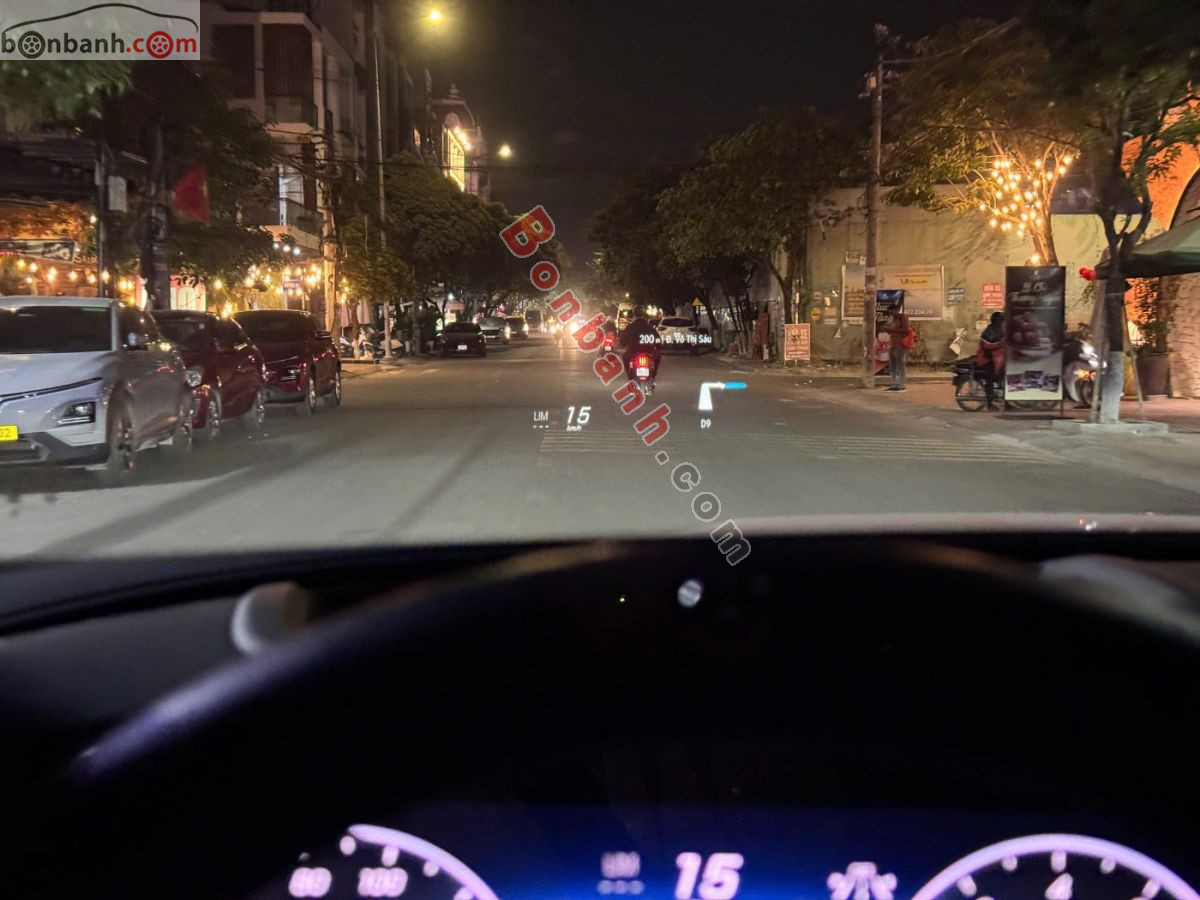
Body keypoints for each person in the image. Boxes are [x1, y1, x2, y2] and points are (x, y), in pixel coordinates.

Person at [620, 305, 662, 378]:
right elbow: (658, 340)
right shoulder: (650, 327)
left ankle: (630, 377)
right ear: (644, 316)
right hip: (649, 351)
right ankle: (653, 376)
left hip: (633, 351)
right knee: (657, 357)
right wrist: (657, 347)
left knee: (625, 358)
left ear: (634, 315)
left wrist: (624, 343)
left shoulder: (630, 327)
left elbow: (623, 341)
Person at [976, 311, 1006, 410]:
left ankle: (1007, 401)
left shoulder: (1001, 330)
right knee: (990, 379)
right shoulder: (989, 331)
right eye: (1000, 320)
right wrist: (1000, 343)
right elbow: (986, 345)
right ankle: (990, 403)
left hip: (998, 359)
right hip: (987, 359)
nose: (1001, 323)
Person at [884, 302, 911, 391]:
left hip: (901, 344)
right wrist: (887, 329)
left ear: (896, 310)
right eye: (890, 313)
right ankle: (893, 383)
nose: (892, 314)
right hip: (892, 344)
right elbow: (889, 329)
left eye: (893, 312)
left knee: (900, 364)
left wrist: (893, 329)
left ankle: (901, 383)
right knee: (892, 365)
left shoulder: (903, 317)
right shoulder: (892, 319)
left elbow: (906, 330)